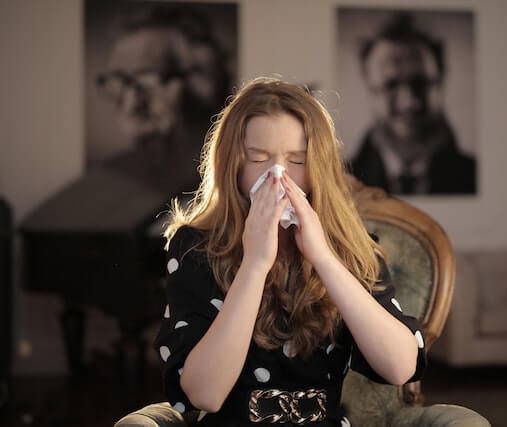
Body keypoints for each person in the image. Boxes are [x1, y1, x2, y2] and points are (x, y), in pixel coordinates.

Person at [153, 78, 427, 425]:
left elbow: (400, 368)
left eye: (297, 160)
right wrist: (255, 264)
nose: (278, 175)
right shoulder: (195, 248)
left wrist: (323, 257)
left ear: (318, 167)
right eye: (258, 158)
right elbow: (205, 394)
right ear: (232, 164)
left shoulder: (350, 248)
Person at [95, 4, 231, 196]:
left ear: (203, 84)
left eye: (148, 80)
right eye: (120, 82)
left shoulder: (235, 181)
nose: (131, 104)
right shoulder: (111, 180)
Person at [349, 13, 476, 195]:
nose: (409, 102)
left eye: (421, 83)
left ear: (441, 83)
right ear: (369, 88)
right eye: (391, 85)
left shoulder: (473, 177)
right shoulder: (339, 181)